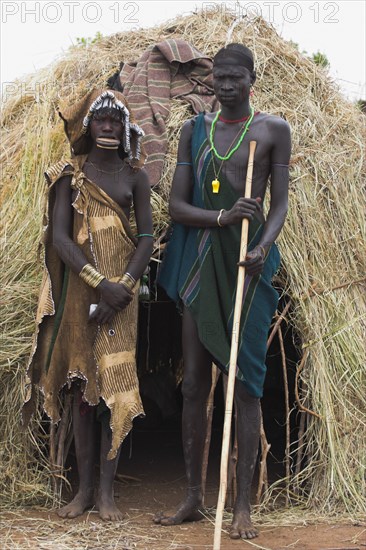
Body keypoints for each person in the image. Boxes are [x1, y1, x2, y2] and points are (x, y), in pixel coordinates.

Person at [156, 44, 291, 540]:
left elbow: (279, 204)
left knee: (246, 383)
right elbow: (175, 207)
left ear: (252, 79)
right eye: (221, 78)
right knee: (194, 382)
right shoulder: (194, 132)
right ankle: (194, 495)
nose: (227, 85)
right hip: (199, 259)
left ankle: (241, 507)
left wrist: (263, 243)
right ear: (213, 80)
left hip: (246, 265)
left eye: (237, 78)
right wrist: (221, 217)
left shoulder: (273, 131)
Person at [22, 89, 153, 521]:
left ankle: (108, 493)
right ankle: (83, 491)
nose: (108, 126)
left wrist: (126, 284)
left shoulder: (135, 177)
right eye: (101, 120)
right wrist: (100, 284)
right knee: (82, 386)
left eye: (116, 121)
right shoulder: (69, 176)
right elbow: (60, 238)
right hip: (81, 292)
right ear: (88, 127)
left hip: (123, 295)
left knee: (114, 384)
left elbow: (147, 238)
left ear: (125, 129)